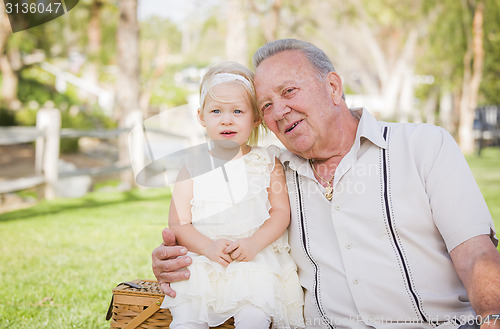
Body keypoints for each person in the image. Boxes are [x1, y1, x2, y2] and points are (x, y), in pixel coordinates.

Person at [152, 39, 500, 329]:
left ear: (333, 87)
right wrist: (174, 259)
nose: (280, 111)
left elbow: (477, 258)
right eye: (267, 105)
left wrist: (493, 320)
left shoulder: (423, 146)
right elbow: (203, 225)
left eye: (289, 91)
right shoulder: (271, 172)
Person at [160, 61, 305, 329]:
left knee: (254, 315)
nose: (226, 119)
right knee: (187, 317)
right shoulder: (191, 166)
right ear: (201, 116)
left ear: (255, 119)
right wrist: (208, 248)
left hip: (254, 257)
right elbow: (179, 222)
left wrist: (253, 243)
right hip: (205, 259)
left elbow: (280, 212)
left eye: (237, 111)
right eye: (216, 111)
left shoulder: (266, 162)